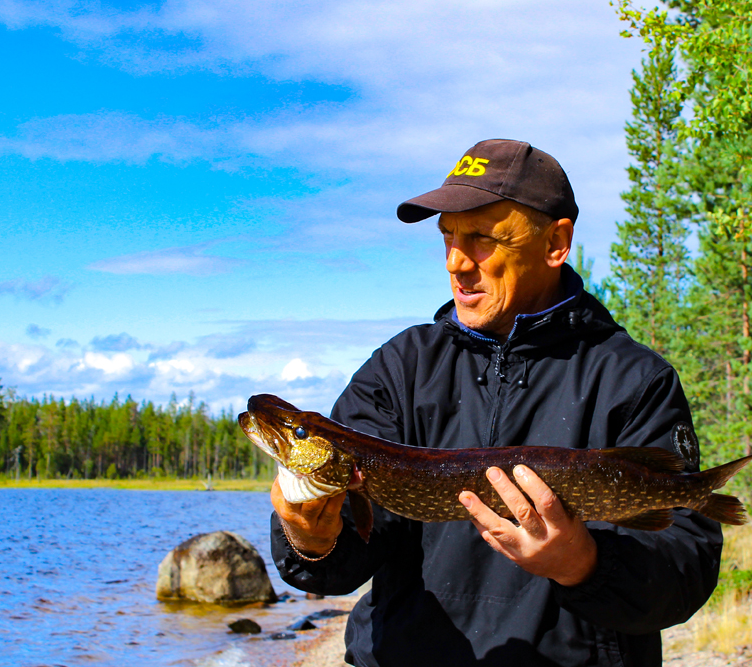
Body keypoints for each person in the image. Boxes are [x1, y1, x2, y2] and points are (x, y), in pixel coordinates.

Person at [269, 139, 721, 667]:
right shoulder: (400, 369)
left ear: (556, 242)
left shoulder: (633, 380)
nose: (456, 264)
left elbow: (686, 569)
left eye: (482, 239)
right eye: (448, 238)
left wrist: (584, 563)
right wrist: (310, 537)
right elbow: (349, 556)